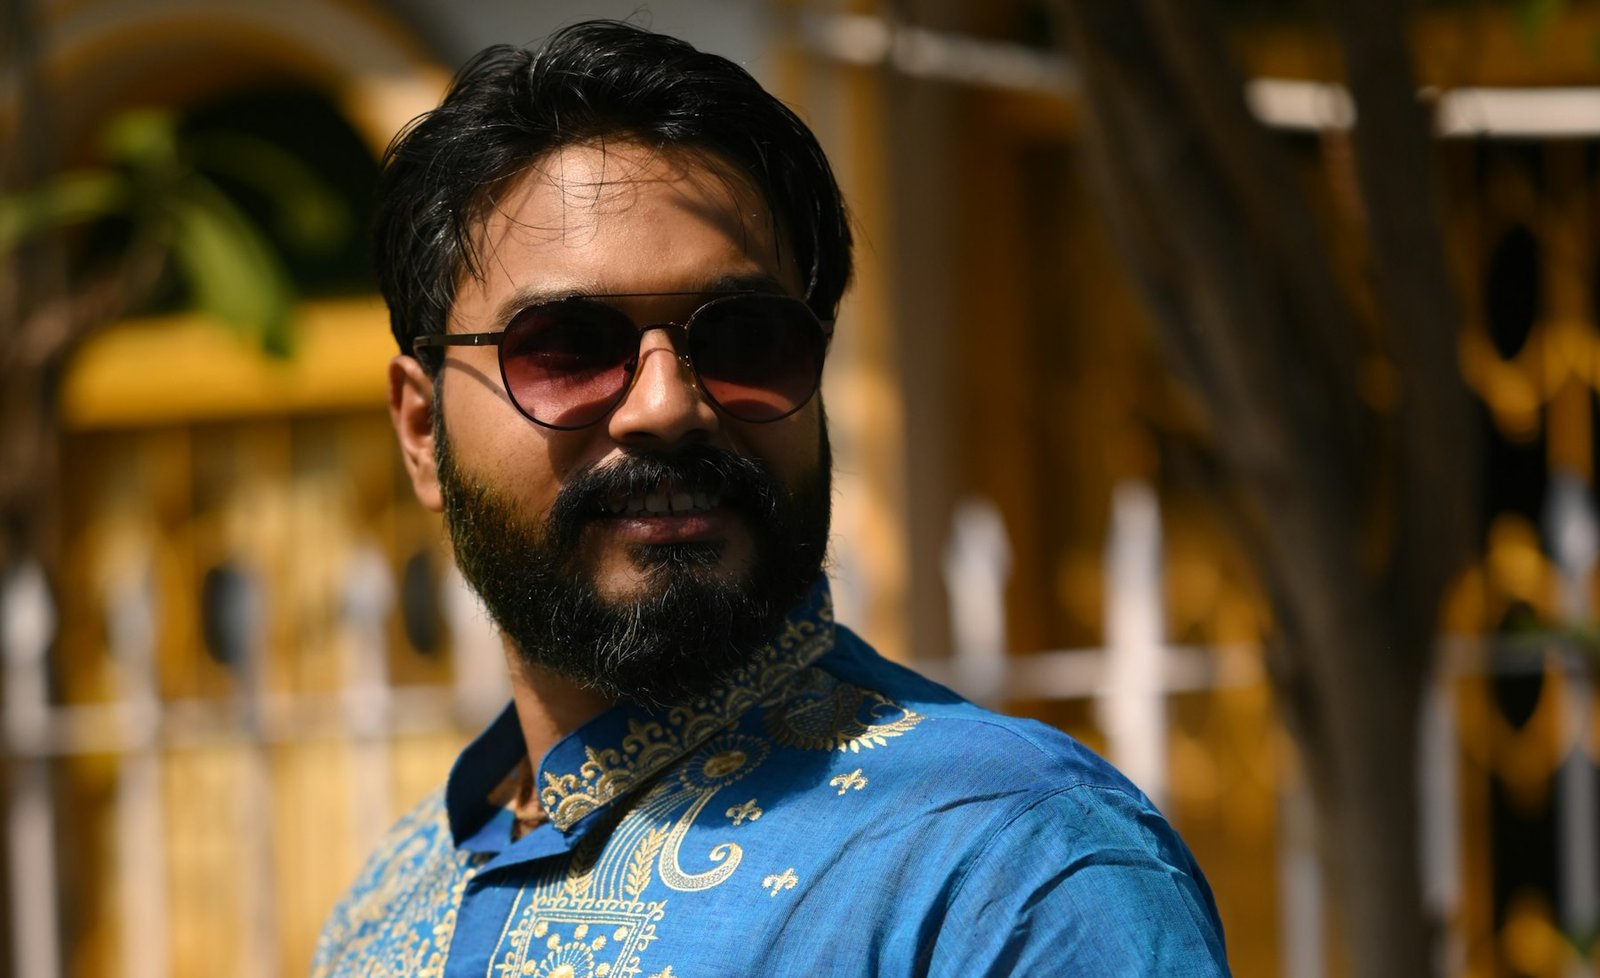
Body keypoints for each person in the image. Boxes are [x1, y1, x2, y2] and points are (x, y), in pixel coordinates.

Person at [312, 19, 1231, 978]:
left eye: (745, 339)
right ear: (423, 430)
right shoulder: (386, 906)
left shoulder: (1008, 865)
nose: (668, 407)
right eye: (569, 349)